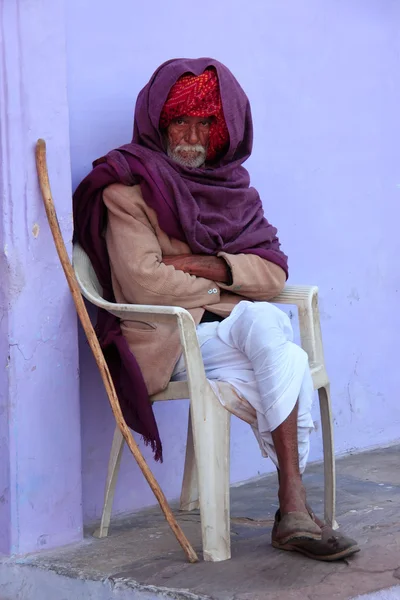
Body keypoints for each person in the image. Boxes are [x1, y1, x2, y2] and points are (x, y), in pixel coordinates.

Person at [73, 58, 359, 561]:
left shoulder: (235, 193)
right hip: (173, 341)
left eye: (205, 122)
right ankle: (292, 504)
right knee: (274, 334)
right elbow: (146, 281)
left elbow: (273, 273)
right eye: (180, 120)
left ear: (221, 131)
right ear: (160, 124)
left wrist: (209, 265)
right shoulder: (126, 188)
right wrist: (231, 289)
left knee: (278, 340)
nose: (192, 134)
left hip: (231, 338)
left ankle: (292, 508)